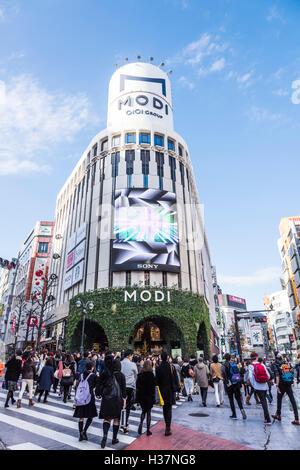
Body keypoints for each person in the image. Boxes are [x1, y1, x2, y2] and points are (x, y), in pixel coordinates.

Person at [96, 354, 126, 448]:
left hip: (107, 398)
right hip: (117, 399)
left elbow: (99, 385)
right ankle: (114, 438)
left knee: (107, 418)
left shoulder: (104, 372)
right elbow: (124, 390)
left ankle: (105, 435)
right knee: (116, 419)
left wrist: (99, 393)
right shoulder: (121, 375)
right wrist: (124, 400)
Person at [271, 354, 299, 425]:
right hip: (288, 384)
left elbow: (277, 375)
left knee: (279, 399)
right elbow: (292, 371)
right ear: (282, 358)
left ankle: (279, 415)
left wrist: (277, 386)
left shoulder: (275, 364)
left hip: (281, 384)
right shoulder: (286, 363)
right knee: (292, 400)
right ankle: (296, 419)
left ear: (276, 358)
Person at [73, 361, 97, 441]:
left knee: (81, 417)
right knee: (90, 416)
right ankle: (84, 431)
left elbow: (77, 385)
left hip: (81, 398)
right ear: (92, 368)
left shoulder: (81, 375)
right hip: (89, 398)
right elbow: (96, 386)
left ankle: (81, 434)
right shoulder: (93, 376)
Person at [156, 351, 176, 436]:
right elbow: (173, 379)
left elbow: (157, 381)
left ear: (160, 357)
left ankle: (166, 424)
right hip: (170, 390)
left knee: (164, 408)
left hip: (162, 390)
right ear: (167, 357)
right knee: (169, 408)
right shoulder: (170, 367)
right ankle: (168, 427)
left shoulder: (158, 368)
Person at [248, 352, 271, 425]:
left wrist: (254, 385)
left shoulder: (250, 366)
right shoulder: (262, 365)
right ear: (257, 357)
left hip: (257, 386)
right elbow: (268, 376)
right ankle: (266, 417)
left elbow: (251, 377)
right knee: (264, 401)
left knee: (263, 402)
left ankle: (268, 419)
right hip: (264, 385)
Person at [222, 353, 247, 420]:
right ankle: (242, 410)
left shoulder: (224, 364)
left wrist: (226, 382)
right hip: (236, 382)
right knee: (238, 398)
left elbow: (224, 373)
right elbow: (237, 373)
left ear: (225, 358)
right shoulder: (233, 363)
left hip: (229, 384)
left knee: (231, 399)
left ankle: (234, 414)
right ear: (230, 357)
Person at [136, 360, 156, 436]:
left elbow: (137, 386)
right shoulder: (151, 375)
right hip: (149, 396)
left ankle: (141, 423)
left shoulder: (140, 374)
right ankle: (148, 430)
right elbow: (153, 386)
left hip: (142, 396)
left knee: (143, 411)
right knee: (149, 413)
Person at [120, 349, 138, 434]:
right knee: (127, 406)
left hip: (121, 387)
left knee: (121, 405)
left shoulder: (120, 363)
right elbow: (136, 375)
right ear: (129, 355)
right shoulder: (133, 364)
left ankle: (121, 423)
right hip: (130, 387)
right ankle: (125, 423)